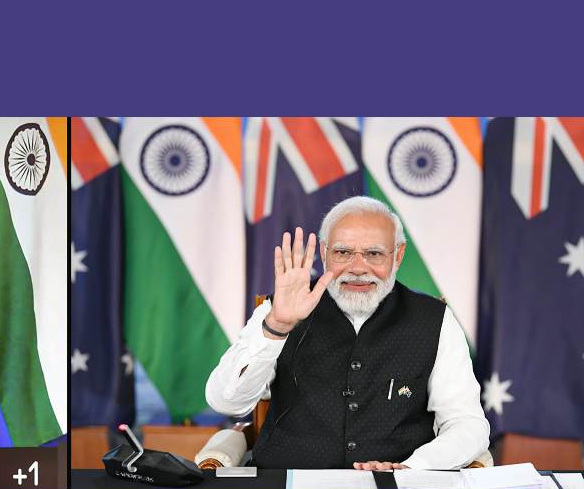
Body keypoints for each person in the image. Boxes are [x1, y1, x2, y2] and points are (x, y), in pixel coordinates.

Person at [204, 197, 489, 470]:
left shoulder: (434, 319)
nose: (358, 268)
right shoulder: (279, 309)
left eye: (374, 254)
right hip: (287, 485)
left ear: (398, 255)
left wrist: (412, 467)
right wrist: (276, 327)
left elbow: (467, 423)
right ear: (324, 252)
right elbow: (225, 402)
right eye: (343, 253)